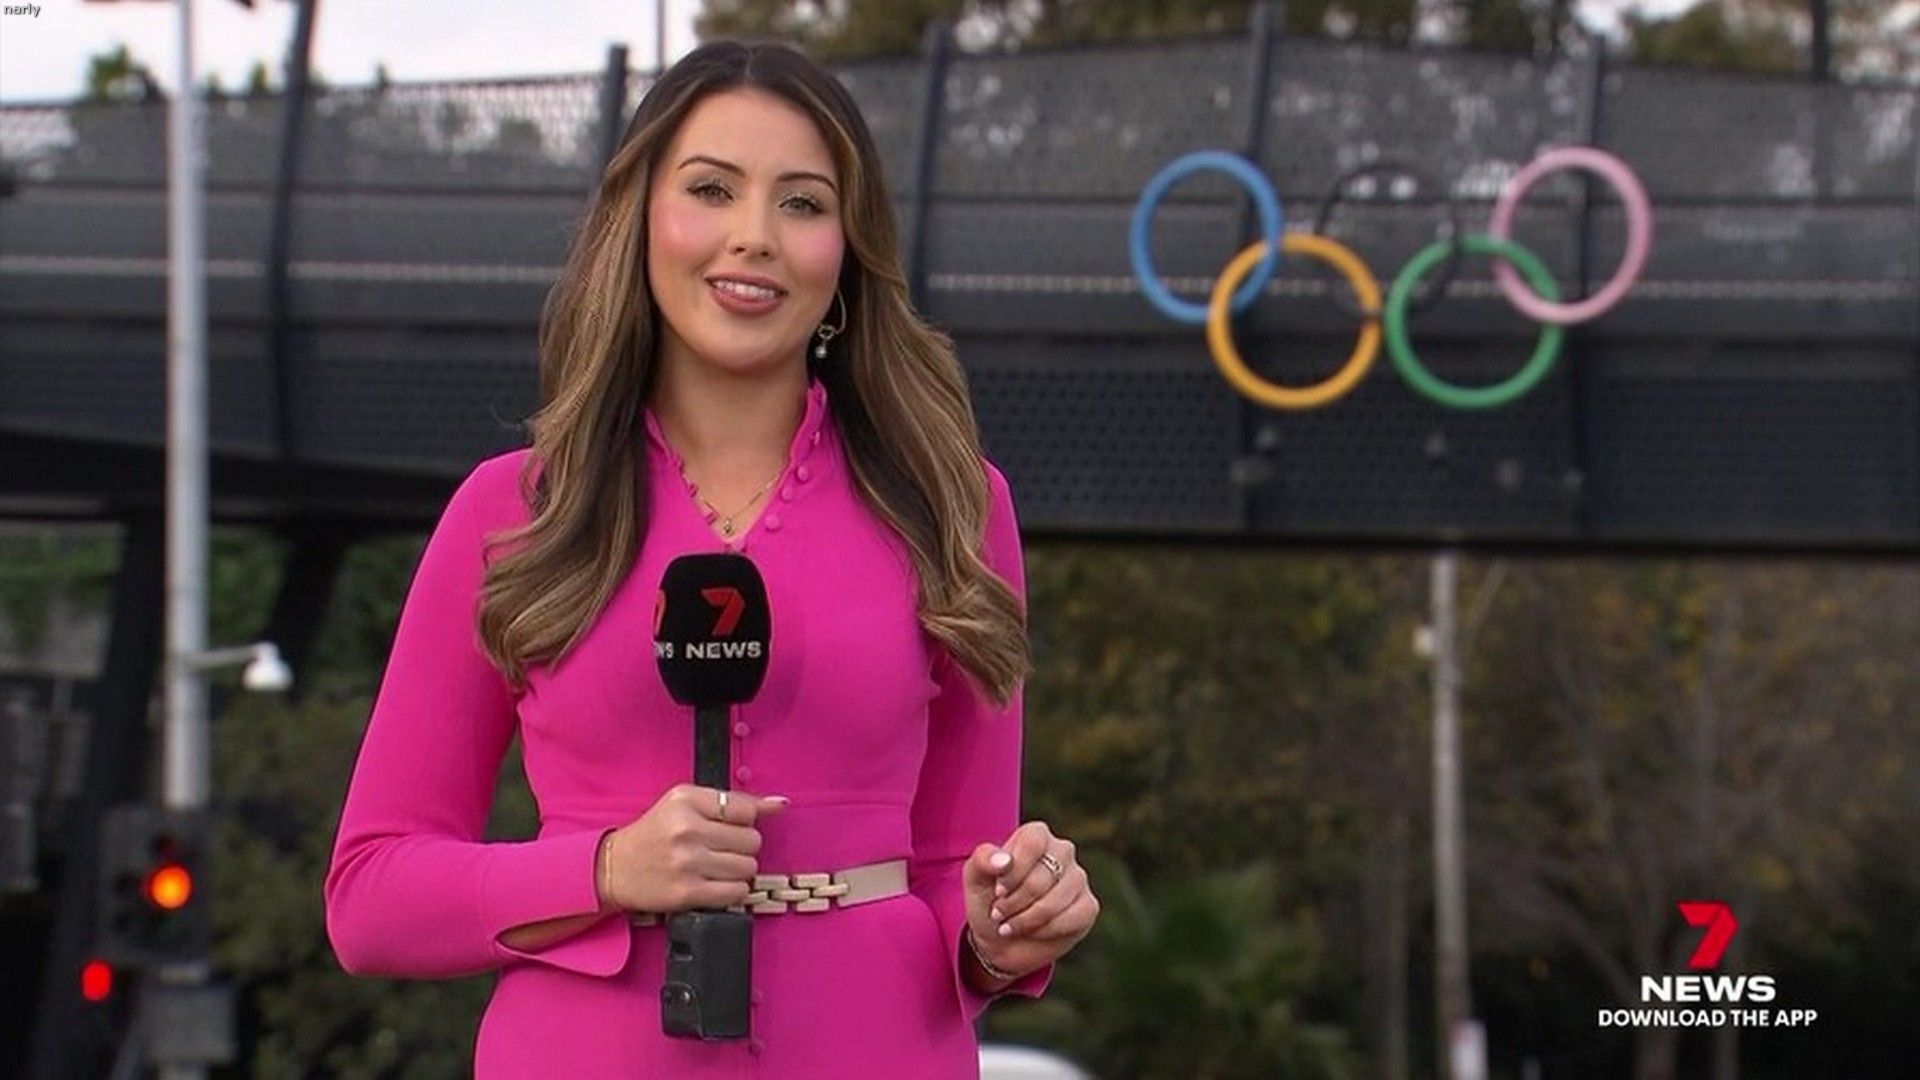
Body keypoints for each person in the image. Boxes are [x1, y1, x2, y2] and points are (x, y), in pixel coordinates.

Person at [323, 39, 1099, 1077]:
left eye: (802, 203)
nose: (754, 236)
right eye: (711, 190)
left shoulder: (955, 507)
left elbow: (961, 870)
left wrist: (1006, 927)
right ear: (640, 222)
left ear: (847, 252)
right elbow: (370, 897)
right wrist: (605, 869)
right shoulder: (512, 512)